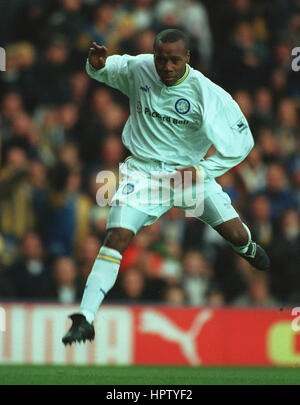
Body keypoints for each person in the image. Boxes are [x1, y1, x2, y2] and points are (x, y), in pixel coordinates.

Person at [62, 29, 270, 345]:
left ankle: (247, 247)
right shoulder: (139, 67)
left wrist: (203, 169)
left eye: (174, 60)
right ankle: (85, 317)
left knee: (237, 235)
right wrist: (97, 65)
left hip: (187, 177)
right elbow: (107, 70)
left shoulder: (206, 93)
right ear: (154, 55)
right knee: (116, 236)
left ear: (187, 58)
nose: (167, 67)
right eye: (161, 59)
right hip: (142, 175)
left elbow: (242, 142)